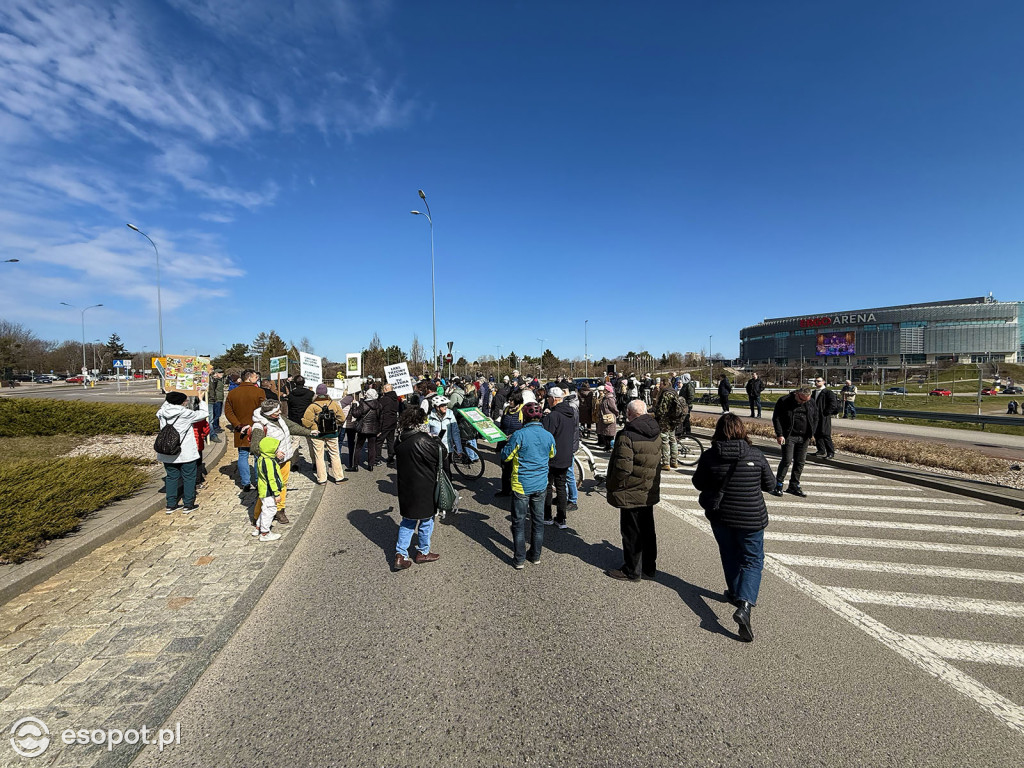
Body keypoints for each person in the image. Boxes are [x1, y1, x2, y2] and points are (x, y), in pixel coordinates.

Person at [691, 414, 775, 642]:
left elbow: (698, 483)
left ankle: (736, 593)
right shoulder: (755, 455)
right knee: (752, 559)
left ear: (718, 431)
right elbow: (770, 484)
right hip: (751, 519)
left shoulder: (710, 456)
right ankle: (744, 606)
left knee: (728, 554)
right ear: (741, 430)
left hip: (722, 516)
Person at [605, 400, 662, 581]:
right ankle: (649, 568)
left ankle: (631, 570)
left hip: (630, 490)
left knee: (631, 532)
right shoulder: (656, 431)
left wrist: (613, 486)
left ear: (629, 414)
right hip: (648, 488)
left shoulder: (627, 435)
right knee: (648, 529)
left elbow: (622, 468)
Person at [501, 401, 556, 569]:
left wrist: (507, 443)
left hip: (521, 484)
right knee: (537, 522)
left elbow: (506, 457)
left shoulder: (519, 435)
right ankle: (535, 555)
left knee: (518, 523)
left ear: (524, 417)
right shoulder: (548, 435)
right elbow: (553, 453)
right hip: (540, 484)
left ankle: (519, 559)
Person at [393, 407, 445, 570]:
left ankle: (400, 554)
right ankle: (423, 551)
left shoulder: (400, 439)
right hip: (425, 485)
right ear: (420, 422)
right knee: (426, 520)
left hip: (406, 485)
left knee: (408, 520)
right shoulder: (424, 439)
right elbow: (442, 454)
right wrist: (436, 440)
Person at [156, 390, 210, 513]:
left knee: (171, 477)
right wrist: (201, 400)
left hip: (168, 452)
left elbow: (166, 404)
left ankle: (171, 504)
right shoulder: (186, 413)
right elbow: (204, 413)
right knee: (189, 477)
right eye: (185, 400)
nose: (186, 402)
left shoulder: (161, 413)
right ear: (182, 402)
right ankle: (188, 504)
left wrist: (169, 394)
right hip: (185, 451)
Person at [251, 399, 294, 525]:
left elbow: (292, 427)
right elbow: (255, 447)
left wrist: (310, 432)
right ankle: (257, 516)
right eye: (277, 411)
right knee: (267, 489)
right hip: (271, 463)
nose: (280, 412)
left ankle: (280, 511)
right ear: (269, 413)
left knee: (283, 485)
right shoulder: (259, 426)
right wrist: (274, 453)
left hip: (284, 459)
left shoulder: (279, 419)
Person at [770, 386, 818, 498]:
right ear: (797, 394)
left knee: (800, 462)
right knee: (787, 460)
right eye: (801, 400)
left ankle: (794, 485)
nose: (803, 402)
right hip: (789, 435)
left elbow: (815, 417)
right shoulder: (784, 401)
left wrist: (811, 432)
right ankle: (778, 485)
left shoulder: (811, 402)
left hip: (804, 436)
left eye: (806, 400)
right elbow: (776, 418)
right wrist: (780, 434)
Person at [224, 369, 265, 491]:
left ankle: (245, 482)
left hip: (240, 429)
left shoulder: (232, 393)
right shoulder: (259, 392)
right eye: (255, 377)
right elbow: (263, 410)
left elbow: (228, 412)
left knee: (243, 454)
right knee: (258, 455)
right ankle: (259, 481)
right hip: (256, 427)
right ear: (249, 377)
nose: (257, 378)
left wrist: (238, 425)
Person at [542, 387, 576, 528]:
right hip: (566, 455)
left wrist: (545, 418)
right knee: (561, 487)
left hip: (552, 456)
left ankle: (547, 516)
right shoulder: (571, 413)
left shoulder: (553, 416)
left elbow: (546, 436)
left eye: (548, 398)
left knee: (548, 486)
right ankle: (561, 519)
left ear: (553, 399)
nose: (547, 401)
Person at [302, 383, 347, 484]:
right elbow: (342, 418)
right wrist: (336, 424)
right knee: (335, 454)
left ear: (317, 393)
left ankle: (322, 479)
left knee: (319, 456)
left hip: (317, 434)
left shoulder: (313, 406)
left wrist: (314, 426)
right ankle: (339, 477)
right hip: (332, 433)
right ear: (326, 392)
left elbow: (306, 421)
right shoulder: (333, 403)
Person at [253, 436, 284, 542]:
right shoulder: (269, 462)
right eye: (276, 449)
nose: (278, 450)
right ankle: (265, 533)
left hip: (263, 489)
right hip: (268, 491)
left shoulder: (263, 458)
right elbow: (271, 478)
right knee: (270, 510)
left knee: (265, 509)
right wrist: (276, 493)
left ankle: (258, 527)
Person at [653, 380, 685, 470]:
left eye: (661, 384)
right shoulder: (674, 392)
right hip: (673, 420)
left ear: (664, 384)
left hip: (665, 421)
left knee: (664, 440)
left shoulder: (666, 394)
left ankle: (666, 462)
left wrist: (655, 414)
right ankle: (674, 461)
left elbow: (662, 410)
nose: (659, 387)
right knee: (673, 439)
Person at [427, 395, 460, 477]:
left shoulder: (450, 414)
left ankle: (449, 488)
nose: (445, 407)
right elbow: (426, 433)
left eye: (446, 405)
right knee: (434, 471)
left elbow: (455, 432)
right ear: (437, 407)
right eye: (443, 405)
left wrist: (459, 449)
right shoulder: (429, 417)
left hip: (447, 448)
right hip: (435, 448)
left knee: (447, 470)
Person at [811, 376, 840, 459]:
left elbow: (833, 404)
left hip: (824, 416)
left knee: (825, 434)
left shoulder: (828, 392)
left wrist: (826, 412)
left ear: (823, 382)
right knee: (816, 433)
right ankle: (821, 450)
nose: (816, 382)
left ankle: (830, 452)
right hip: (815, 416)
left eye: (818, 381)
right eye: (815, 381)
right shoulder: (814, 392)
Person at [355, 387, 382, 471]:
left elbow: (355, 414)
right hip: (374, 429)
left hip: (363, 428)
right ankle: (370, 465)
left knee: (358, 447)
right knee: (372, 447)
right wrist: (379, 430)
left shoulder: (363, 404)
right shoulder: (379, 405)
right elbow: (381, 419)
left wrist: (354, 405)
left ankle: (355, 465)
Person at [377, 382, 400, 466]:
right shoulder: (395, 399)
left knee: (379, 440)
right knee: (390, 441)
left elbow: (378, 408)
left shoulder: (384, 399)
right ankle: (391, 458)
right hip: (393, 421)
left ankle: (377, 459)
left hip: (385, 422)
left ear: (385, 390)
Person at [596, 383, 619, 449]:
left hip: (609, 417)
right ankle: (607, 445)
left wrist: (617, 414)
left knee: (610, 433)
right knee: (606, 433)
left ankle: (610, 446)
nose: (603, 391)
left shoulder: (609, 399)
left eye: (605, 389)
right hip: (605, 417)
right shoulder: (605, 398)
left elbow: (614, 408)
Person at [208, 369, 226, 442]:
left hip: (214, 399)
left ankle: (214, 429)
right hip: (212, 400)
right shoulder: (209, 379)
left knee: (216, 415)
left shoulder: (215, 380)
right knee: (212, 418)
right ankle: (213, 432)